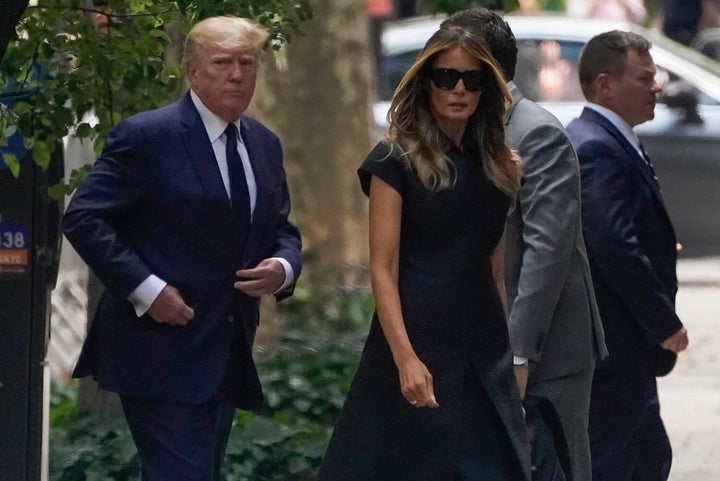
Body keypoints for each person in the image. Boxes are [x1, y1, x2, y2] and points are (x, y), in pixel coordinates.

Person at [62, 15, 303, 481]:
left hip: (226, 351)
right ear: (193, 72)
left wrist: (282, 267)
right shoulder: (149, 136)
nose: (237, 75)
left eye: (247, 63)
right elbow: (84, 216)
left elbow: (280, 228)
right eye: (222, 63)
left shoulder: (262, 144)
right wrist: (147, 291)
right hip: (157, 352)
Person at [317, 25, 531, 481]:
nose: (459, 89)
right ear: (424, 81)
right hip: (416, 340)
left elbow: (494, 269)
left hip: (483, 347)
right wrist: (405, 358)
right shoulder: (393, 161)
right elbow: (383, 268)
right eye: (446, 77)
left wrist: (510, 353)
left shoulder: (498, 165)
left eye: (473, 80)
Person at [441, 8, 607, 481]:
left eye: (461, 74)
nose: (452, 86)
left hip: (546, 352)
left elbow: (546, 254)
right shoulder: (464, 133)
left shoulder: (536, 134)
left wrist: (517, 356)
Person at [566, 30, 689, 481]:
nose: (656, 87)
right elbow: (611, 242)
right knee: (623, 461)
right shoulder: (597, 145)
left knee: (646, 456)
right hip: (616, 344)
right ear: (605, 85)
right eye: (645, 77)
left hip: (621, 348)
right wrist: (663, 322)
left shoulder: (606, 138)